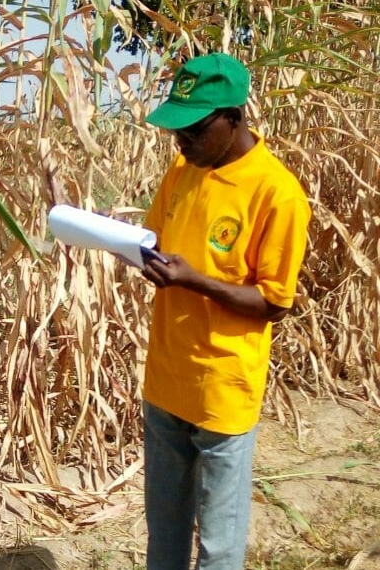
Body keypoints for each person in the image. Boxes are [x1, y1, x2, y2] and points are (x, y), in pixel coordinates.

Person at [138, 53, 311, 569]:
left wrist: (194, 280)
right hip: (166, 379)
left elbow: (274, 303)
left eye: (193, 129)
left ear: (234, 119)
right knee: (164, 532)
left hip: (222, 391)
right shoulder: (182, 170)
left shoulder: (276, 194)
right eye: (176, 131)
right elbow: (155, 240)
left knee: (217, 544)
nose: (182, 141)